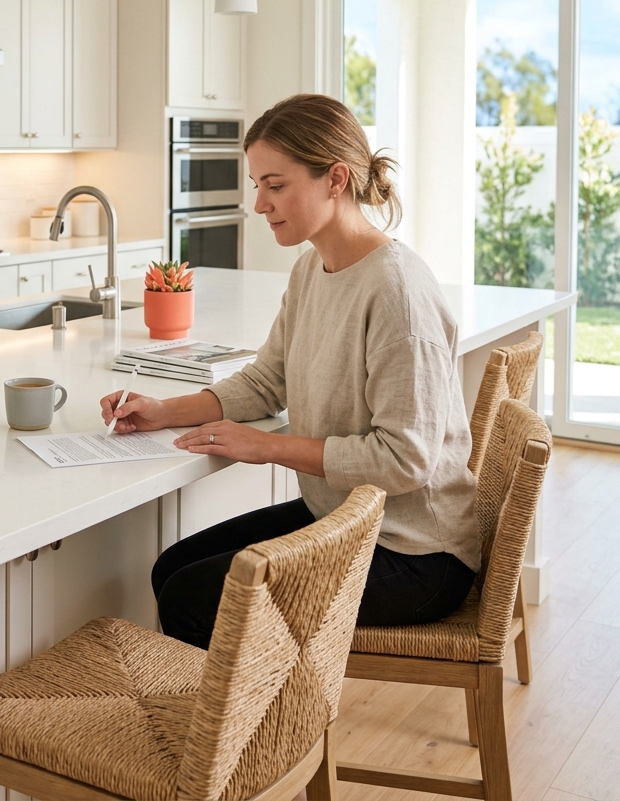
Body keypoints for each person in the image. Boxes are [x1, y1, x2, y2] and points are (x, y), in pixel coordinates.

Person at [100, 93, 480, 651]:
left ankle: (241, 735)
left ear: (335, 179)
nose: (259, 203)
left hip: (414, 553)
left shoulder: (397, 292)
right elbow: (266, 380)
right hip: (343, 515)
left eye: (275, 185)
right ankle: (226, 730)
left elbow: (406, 461)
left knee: (192, 597)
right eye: (257, 185)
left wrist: (269, 446)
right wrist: (162, 411)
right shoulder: (312, 268)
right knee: (172, 570)